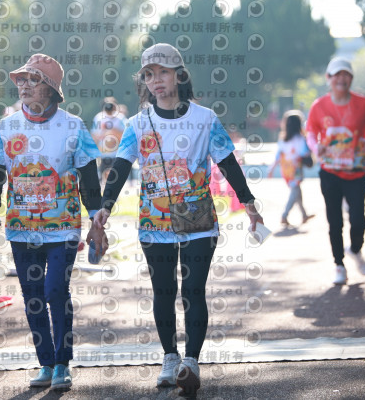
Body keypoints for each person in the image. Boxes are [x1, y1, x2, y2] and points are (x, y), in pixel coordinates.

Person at [93, 43, 263, 395]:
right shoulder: (137, 124)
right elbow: (120, 166)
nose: (156, 80)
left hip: (199, 221)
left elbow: (227, 163)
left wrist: (248, 202)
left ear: (179, 75)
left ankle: (192, 362)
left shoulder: (205, 119)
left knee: (193, 290)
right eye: (149, 75)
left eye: (163, 72)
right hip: (154, 223)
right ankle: (170, 358)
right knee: (164, 290)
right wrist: (105, 207)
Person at [0, 54, 106, 390]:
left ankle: (63, 363)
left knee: (55, 290)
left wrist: (96, 219)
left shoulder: (73, 126)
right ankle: (46, 364)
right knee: (33, 296)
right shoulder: (7, 127)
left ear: (50, 88)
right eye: (21, 79)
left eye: (33, 79)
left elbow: (88, 178)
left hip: (63, 226)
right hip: (21, 227)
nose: (24, 85)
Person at [305, 57, 365, 285]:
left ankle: (355, 250)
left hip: (356, 170)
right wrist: (315, 146)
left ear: (351, 79)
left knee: (358, 220)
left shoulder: (363, 103)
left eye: (346, 74)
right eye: (337, 75)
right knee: (335, 221)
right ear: (328, 78)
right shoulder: (319, 106)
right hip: (330, 171)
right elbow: (311, 132)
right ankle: (339, 264)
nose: (341, 79)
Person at [267, 110, 314, 226]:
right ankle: (285, 215)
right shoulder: (300, 138)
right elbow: (304, 153)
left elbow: (278, 156)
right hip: (296, 169)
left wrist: (271, 169)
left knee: (296, 190)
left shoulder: (283, 138)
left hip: (286, 170)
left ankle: (304, 214)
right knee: (295, 192)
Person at [90, 96, 127, 184]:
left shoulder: (120, 118)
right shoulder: (98, 118)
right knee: (103, 177)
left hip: (117, 153)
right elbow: (94, 135)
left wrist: (113, 130)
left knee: (115, 176)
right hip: (104, 153)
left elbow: (126, 135)